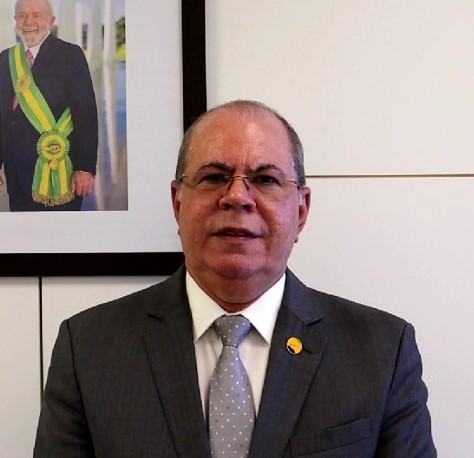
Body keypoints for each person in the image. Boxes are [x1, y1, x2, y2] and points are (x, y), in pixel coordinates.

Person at [33, 100, 436, 456]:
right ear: (178, 203)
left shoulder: (382, 352)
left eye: (265, 179)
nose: (237, 197)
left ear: (301, 210)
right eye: (213, 177)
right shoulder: (89, 349)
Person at [0, 0, 98, 211]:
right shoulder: (5, 58)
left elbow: (86, 116)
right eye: (22, 15)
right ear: (15, 20)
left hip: (59, 170)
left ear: (51, 20)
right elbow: (0, 114)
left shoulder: (70, 55)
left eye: (36, 15)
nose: (29, 22)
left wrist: (85, 167)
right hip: (15, 172)